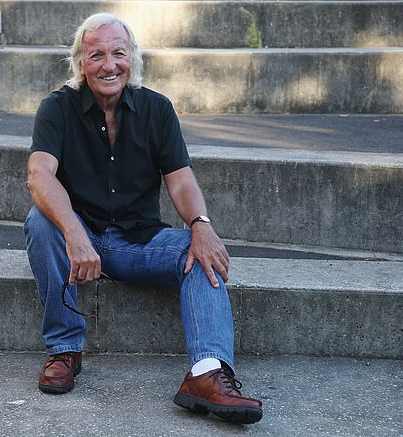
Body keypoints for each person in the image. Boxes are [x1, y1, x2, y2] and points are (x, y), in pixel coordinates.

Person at [23, 12, 263, 424]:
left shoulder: (156, 108)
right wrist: (76, 234)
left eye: (119, 53)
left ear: (132, 58)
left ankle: (206, 374)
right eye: (96, 54)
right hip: (81, 240)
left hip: (140, 242)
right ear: (80, 62)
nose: (109, 64)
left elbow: (181, 179)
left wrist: (201, 225)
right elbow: (39, 175)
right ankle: (64, 349)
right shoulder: (57, 108)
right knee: (40, 222)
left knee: (200, 252)